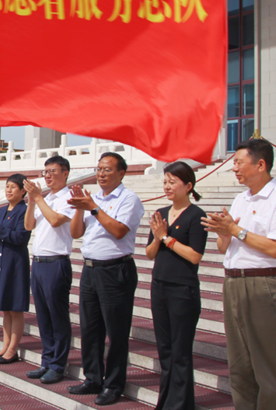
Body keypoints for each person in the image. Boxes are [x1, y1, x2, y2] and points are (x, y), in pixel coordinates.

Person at [201, 138, 276, 409]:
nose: (234, 168)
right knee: (240, 363)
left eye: (239, 162)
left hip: (263, 284)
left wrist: (235, 231)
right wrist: (223, 231)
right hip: (233, 281)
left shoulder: (274, 198)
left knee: (267, 363)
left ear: (260, 164)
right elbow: (225, 247)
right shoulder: (239, 199)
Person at [67, 152, 144, 406]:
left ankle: (113, 384)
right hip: (90, 270)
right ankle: (93, 378)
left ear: (121, 173)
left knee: (116, 331)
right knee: (90, 329)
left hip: (115, 271)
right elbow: (76, 233)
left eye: (108, 169)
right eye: (99, 169)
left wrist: (93, 208)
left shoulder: (128, 199)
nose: (101, 174)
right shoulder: (93, 198)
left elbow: (120, 231)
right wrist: (80, 208)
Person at [146, 162, 207, 409]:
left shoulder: (196, 215)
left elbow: (195, 255)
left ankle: (181, 404)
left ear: (188, 186)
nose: (167, 186)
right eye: (165, 182)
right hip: (159, 286)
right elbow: (150, 253)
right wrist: (157, 237)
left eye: (173, 182)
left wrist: (165, 237)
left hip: (182, 290)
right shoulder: (161, 212)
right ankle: (167, 401)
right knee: (165, 350)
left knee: (180, 351)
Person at [23, 156, 76, 384]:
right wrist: (33, 201)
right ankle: (46, 361)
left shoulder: (69, 197)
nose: (48, 175)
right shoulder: (47, 198)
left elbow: (55, 220)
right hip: (39, 262)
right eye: (45, 171)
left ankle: (58, 364)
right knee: (43, 316)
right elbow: (28, 225)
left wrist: (38, 198)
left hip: (57, 263)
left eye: (53, 171)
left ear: (65, 173)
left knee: (57, 316)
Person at [0, 173, 31, 365]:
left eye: (13, 187)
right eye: (7, 187)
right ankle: (5, 345)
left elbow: (20, 238)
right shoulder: (2, 211)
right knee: (5, 309)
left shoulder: (24, 211)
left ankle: (13, 349)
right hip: (0, 260)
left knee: (15, 308)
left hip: (15, 262)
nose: (9, 190)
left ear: (23, 191)